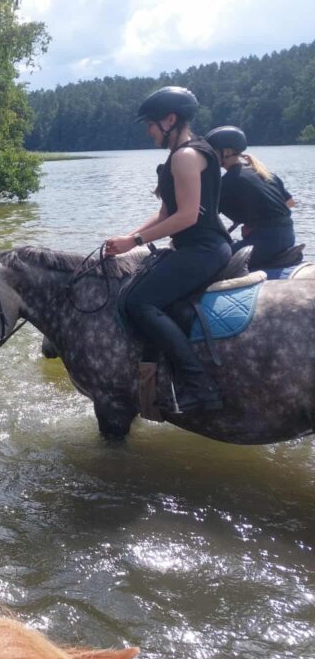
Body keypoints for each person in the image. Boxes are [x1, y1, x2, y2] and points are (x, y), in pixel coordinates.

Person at [104, 86, 231, 415]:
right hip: (200, 247)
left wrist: (134, 243)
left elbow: (187, 217)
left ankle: (200, 386)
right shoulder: (183, 155)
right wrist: (127, 238)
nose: (148, 131)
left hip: (203, 249)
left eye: (150, 124)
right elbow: (165, 214)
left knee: (138, 302)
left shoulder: (185, 157)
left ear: (170, 120)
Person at [206, 125, 297, 269]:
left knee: (209, 259)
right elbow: (290, 203)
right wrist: (257, 215)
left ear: (227, 151)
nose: (210, 157)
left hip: (266, 242)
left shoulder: (228, 181)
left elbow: (207, 217)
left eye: (213, 152)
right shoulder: (264, 173)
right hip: (288, 236)